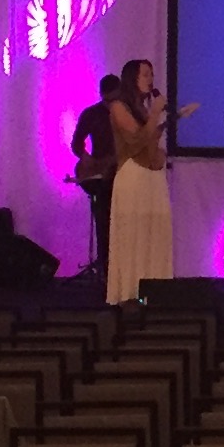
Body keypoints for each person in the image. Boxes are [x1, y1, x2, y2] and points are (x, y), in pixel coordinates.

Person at [106, 57, 196, 303]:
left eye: (152, 74)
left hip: (151, 176)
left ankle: (154, 292)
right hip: (133, 177)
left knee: (154, 235)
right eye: (145, 74)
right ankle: (130, 295)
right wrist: (156, 112)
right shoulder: (118, 107)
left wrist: (173, 118)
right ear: (132, 78)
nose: (150, 79)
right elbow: (136, 141)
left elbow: (150, 138)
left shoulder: (143, 109)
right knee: (133, 236)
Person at [71, 71, 123, 279]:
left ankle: (120, 267)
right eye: (108, 101)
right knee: (102, 219)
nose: (111, 105)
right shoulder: (91, 114)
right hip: (100, 174)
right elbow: (77, 143)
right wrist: (85, 158)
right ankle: (105, 266)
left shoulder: (127, 115)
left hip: (122, 172)